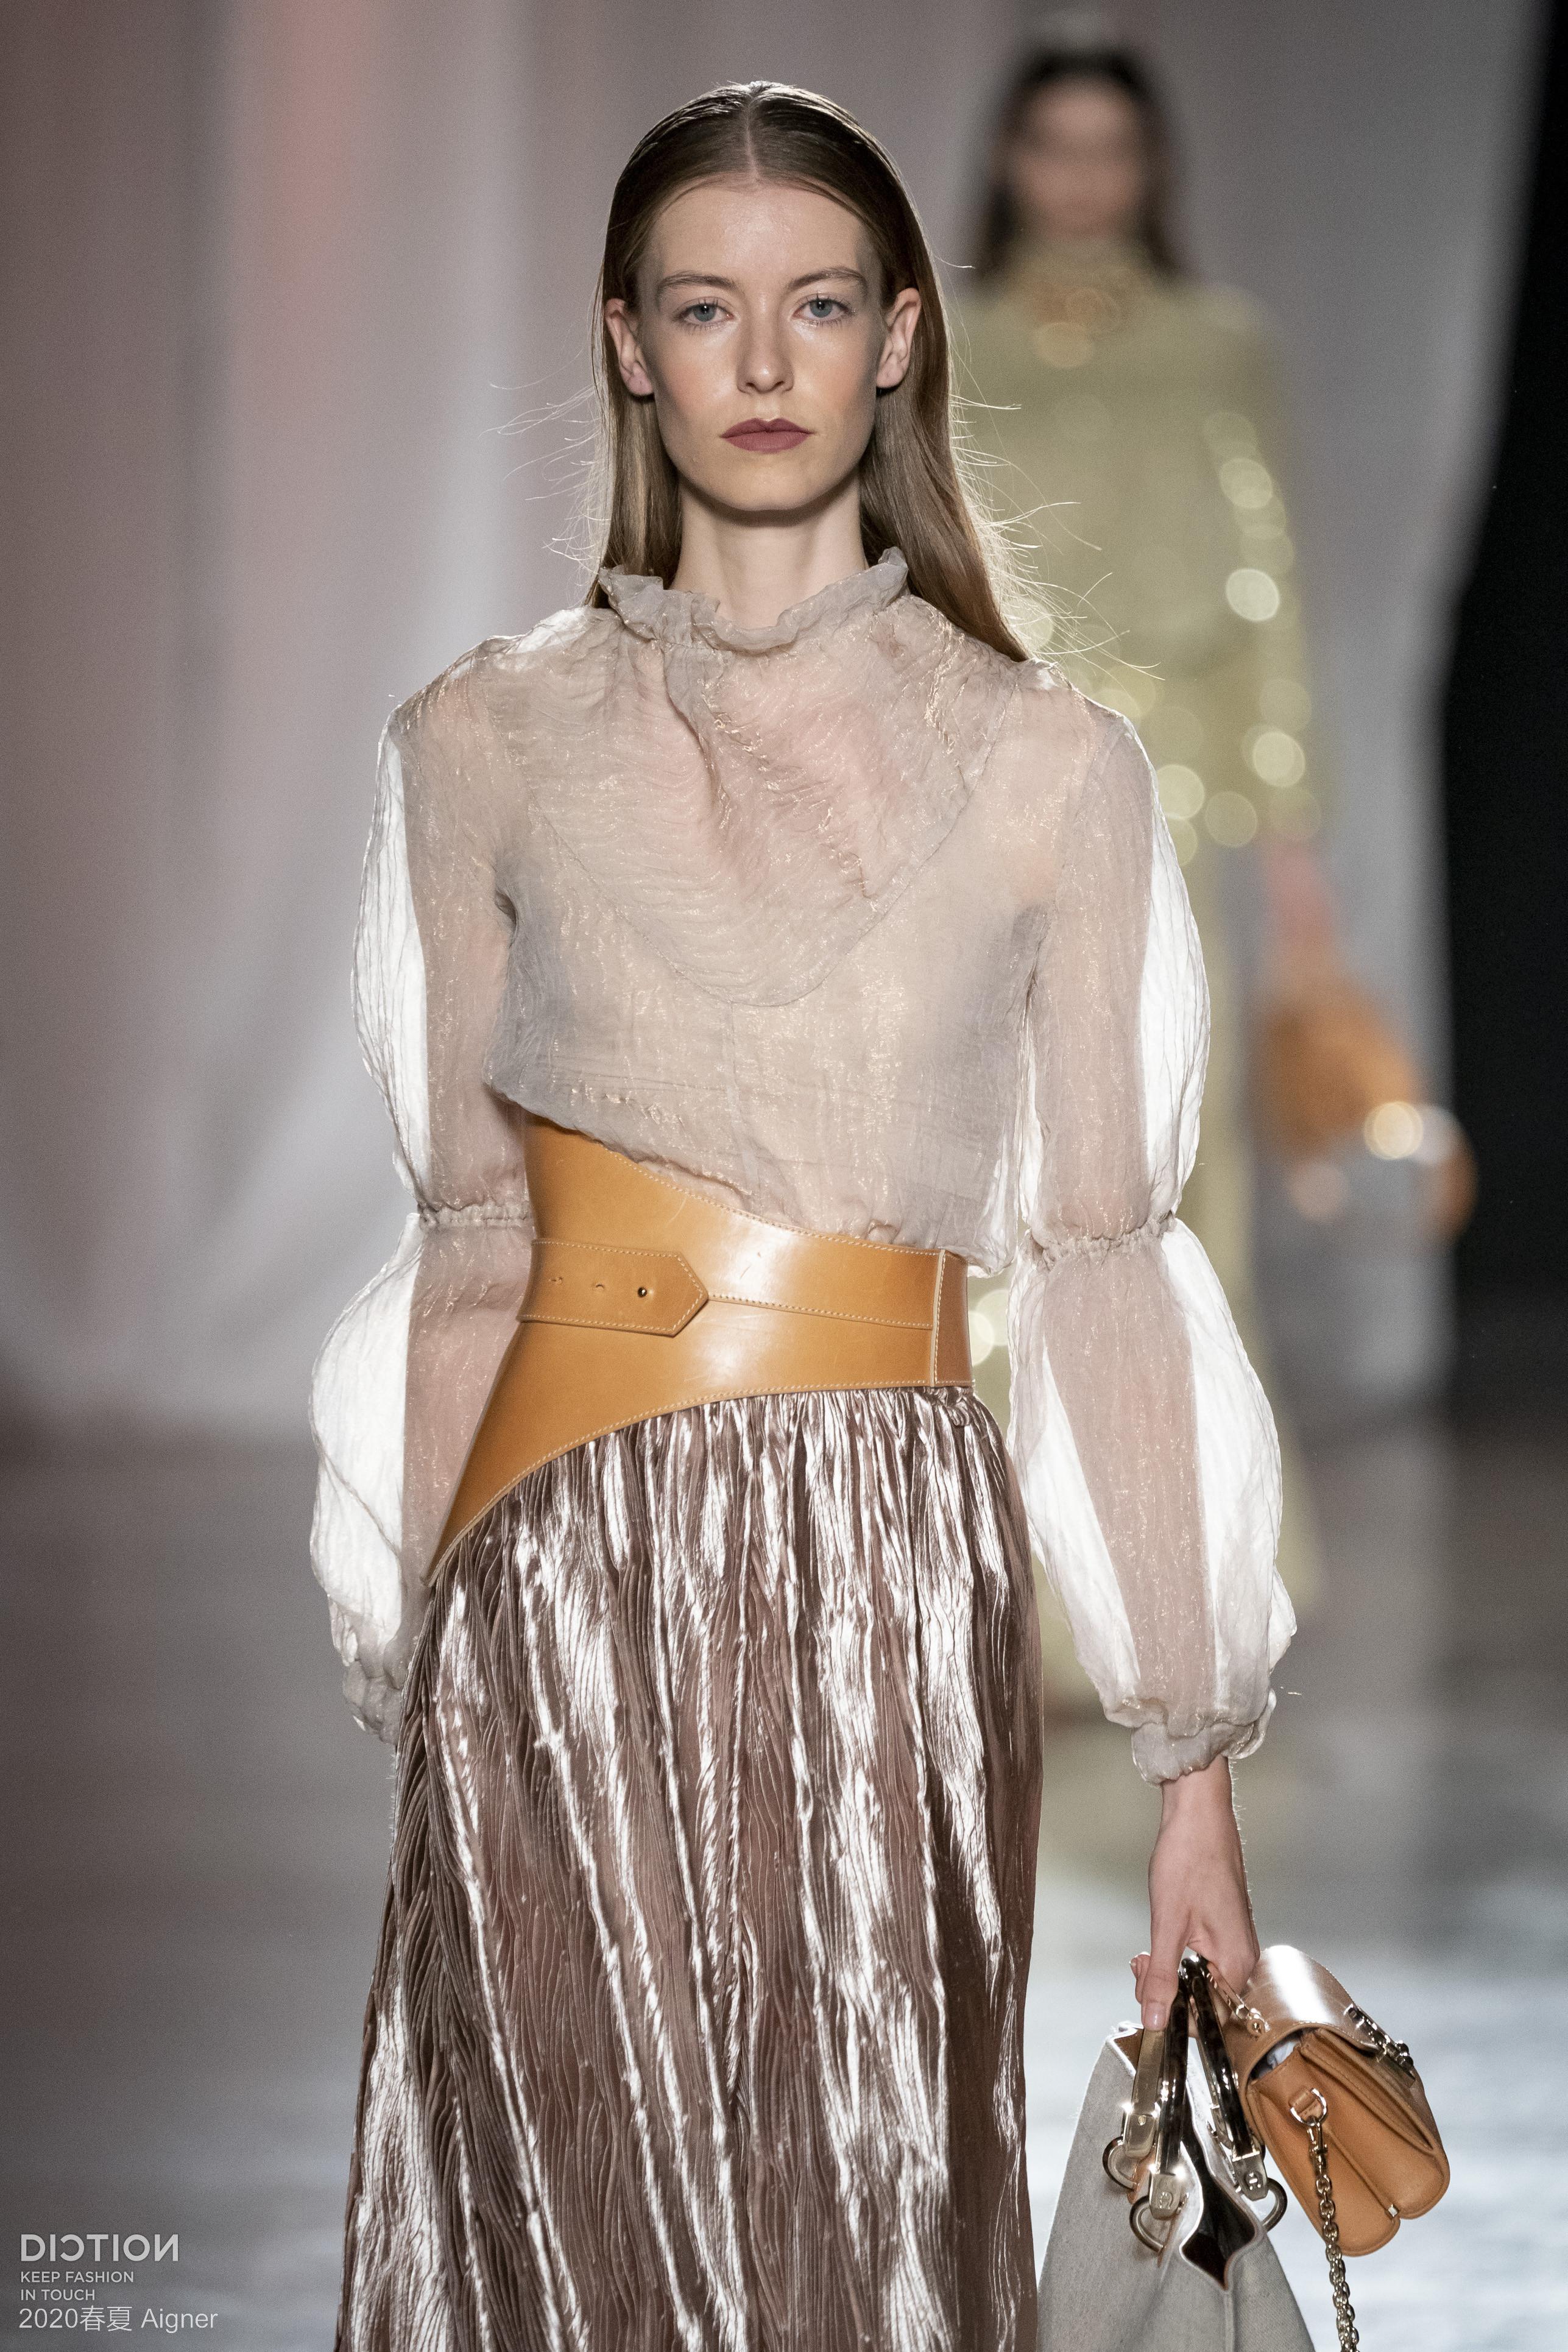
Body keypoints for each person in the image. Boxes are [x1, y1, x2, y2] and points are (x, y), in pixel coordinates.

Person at [308, 79, 1291, 2351]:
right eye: (705, 308)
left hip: (888, 1572)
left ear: (901, 338)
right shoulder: (482, 745)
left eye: (819, 305)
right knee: (555, 2215)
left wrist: (1191, 1783)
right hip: (550, 1573)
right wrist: (431, 1675)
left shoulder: (1048, 767)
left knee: (860, 2207)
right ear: (628, 344)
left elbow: (1108, 1273)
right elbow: (469, 1244)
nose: (764, 363)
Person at [956, 40, 1327, 1610]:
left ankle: (1170, 1584)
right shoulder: (944, 344)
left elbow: (1266, 602)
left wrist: (1297, 875)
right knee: (992, 1165)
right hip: (984, 791)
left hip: (1166, 794)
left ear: (1154, 166)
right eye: (1055, 146)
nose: (1082, 180)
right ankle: (998, 1586)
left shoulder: (1218, 347)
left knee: (1167, 1167)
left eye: (1111, 148)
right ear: (1011, 158)